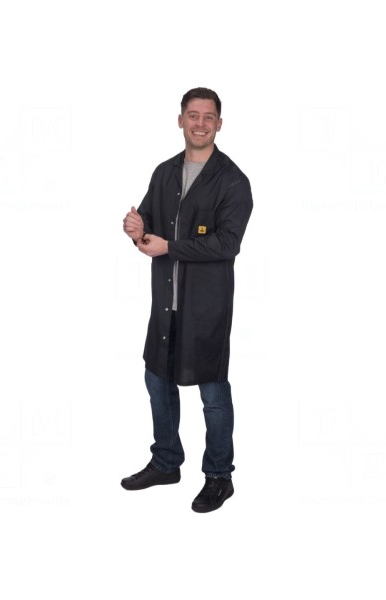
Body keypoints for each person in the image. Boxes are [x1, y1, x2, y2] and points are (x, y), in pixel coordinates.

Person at [121, 87, 253, 513]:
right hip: (166, 304)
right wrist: (136, 229)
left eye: (208, 117)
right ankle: (166, 462)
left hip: (205, 308)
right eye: (193, 115)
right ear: (180, 121)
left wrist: (170, 247)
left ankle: (219, 476)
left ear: (219, 124)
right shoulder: (164, 173)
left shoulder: (232, 180)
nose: (200, 123)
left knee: (212, 394)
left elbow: (228, 243)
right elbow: (148, 226)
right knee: (157, 381)